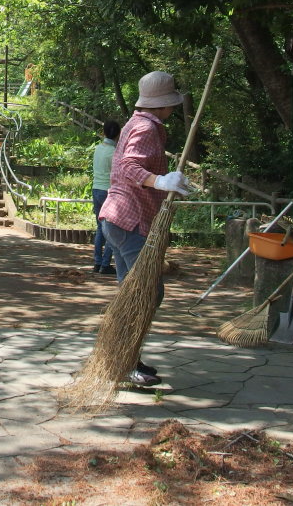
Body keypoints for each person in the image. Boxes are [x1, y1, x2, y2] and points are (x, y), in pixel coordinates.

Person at [99, 70, 192, 387]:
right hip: (131, 219)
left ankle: (124, 358)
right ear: (163, 104)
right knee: (146, 293)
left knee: (132, 293)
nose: (173, 107)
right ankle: (124, 362)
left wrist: (167, 183)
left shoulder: (136, 123)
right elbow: (128, 166)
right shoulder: (146, 127)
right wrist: (160, 181)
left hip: (118, 218)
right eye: (171, 102)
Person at [91, 120, 121, 275]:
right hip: (109, 192)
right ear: (118, 134)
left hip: (96, 189)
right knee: (111, 228)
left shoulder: (98, 148)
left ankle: (97, 262)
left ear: (103, 132)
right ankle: (105, 264)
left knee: (100, 227)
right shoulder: (115, 153)